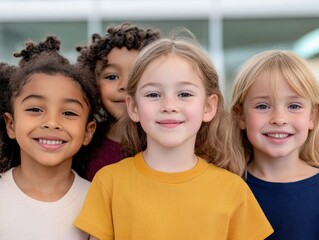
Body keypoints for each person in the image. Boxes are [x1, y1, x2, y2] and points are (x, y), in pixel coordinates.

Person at [74, 35, 273, 240]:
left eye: (184, 94)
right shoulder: (109, 182)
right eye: (153, 94)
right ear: (133, 107)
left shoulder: (233, 189)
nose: (169, 105)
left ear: (208, 106)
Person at [0, 36, 98, 239]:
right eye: (35, 109)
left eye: (69, 113)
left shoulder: (98, 198)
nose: (52, 122)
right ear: (11, 124)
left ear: (88, 131)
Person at [231, 50, 319, 240]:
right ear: (240, 115)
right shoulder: (227, 188)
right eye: (263, 106)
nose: (279, 119)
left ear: (313, 116)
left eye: (294, 106)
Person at [76, 22, 161, 181]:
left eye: (138, 76)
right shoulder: (82, 143)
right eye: (112, 77)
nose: (125, 86)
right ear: (92, 82)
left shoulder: (167, 140)